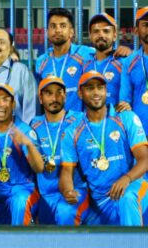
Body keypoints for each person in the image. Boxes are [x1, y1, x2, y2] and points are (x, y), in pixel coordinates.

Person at [60, 71, 148, 226]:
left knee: (127, 199)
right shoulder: (72, 131)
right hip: (99, 199)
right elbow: (67, 172)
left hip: (132, 185)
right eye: (90, 88)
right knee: (65, 210)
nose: (96, 92)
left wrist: (127, 178)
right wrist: (68, 190)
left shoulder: (125, 117)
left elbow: (145, 159)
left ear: (105, 91)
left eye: (100, 87)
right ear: (80, 93)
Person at [0, 83, 44, 225]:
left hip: (22, 192)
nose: (1, 104)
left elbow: (39, 168)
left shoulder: (24, 131)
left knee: (19, 202)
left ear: (13, 104)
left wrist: (29, 145)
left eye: (5, 99)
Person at [30, 76, 91, 225]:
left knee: (65, 213)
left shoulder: (80, 119)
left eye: (59, 92)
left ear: (65, 96)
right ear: (40, 99)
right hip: (46, 195)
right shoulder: (34, 125)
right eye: (48, 93)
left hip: (75, 190)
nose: (54, 98)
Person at [35, 8, 95, 112]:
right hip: (52, 120)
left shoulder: (85, 54)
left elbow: (107, 55)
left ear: (71, 32)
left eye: (63, 26)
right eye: (53, 26)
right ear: (47, 32)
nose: (57, 30)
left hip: (79, 121)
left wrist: (122, 51)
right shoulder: (41, 61)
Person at [83, 13, 128, 111]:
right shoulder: (84, 64)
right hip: (89, 119)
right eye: (96, 31)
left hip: (115, 119)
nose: (101, 35)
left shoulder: (124, 62)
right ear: (90, 36)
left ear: (114, 35)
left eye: (106, 31)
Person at [120, 7, 148, 132]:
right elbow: (124, 102)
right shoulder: (129, 62)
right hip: (141, 133)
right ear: (136, 31)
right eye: (146, 25)